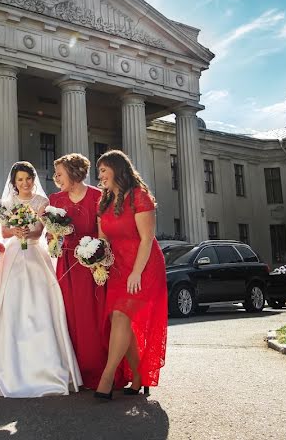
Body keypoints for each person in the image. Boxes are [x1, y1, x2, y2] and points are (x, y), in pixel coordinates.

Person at [0, 161, 82, 397]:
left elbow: (42, 230)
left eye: (28, 178)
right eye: (20, 180)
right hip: (14, 254)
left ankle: (47, 368)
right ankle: (8, 370)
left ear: (33, 179)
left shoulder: (42, 202)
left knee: (41, 305)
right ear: (14, 184)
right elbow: (3, 232)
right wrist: (15, 230)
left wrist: (29, 231)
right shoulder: (7, 204)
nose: (24, 183)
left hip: (36, 252)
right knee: (12, 307)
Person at [94, 150, 167, 400]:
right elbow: (103, 240)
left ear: (117, 169)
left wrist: (136, 272)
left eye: (104, 169)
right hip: (117, 267)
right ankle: (137, 375)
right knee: (120, 320)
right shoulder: (103, 202)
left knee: (120, 315)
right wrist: (96, 261)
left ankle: (107, 376)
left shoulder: (139, 197)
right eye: (99, 171)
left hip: (144, 266)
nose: (100, 175)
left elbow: (147, 239)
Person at [48, 153, 108, 390]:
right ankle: (76, 371)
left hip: (92, 264)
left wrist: (99, 260)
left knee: (92, 315)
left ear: (73, 173)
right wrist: (54, 238)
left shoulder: (97, 196)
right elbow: (50, 234)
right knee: (69, 315)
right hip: (66, 266)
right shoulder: (55, 198)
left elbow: (103, 233)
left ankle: (98, 369)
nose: (57, 178)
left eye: (60, 174)